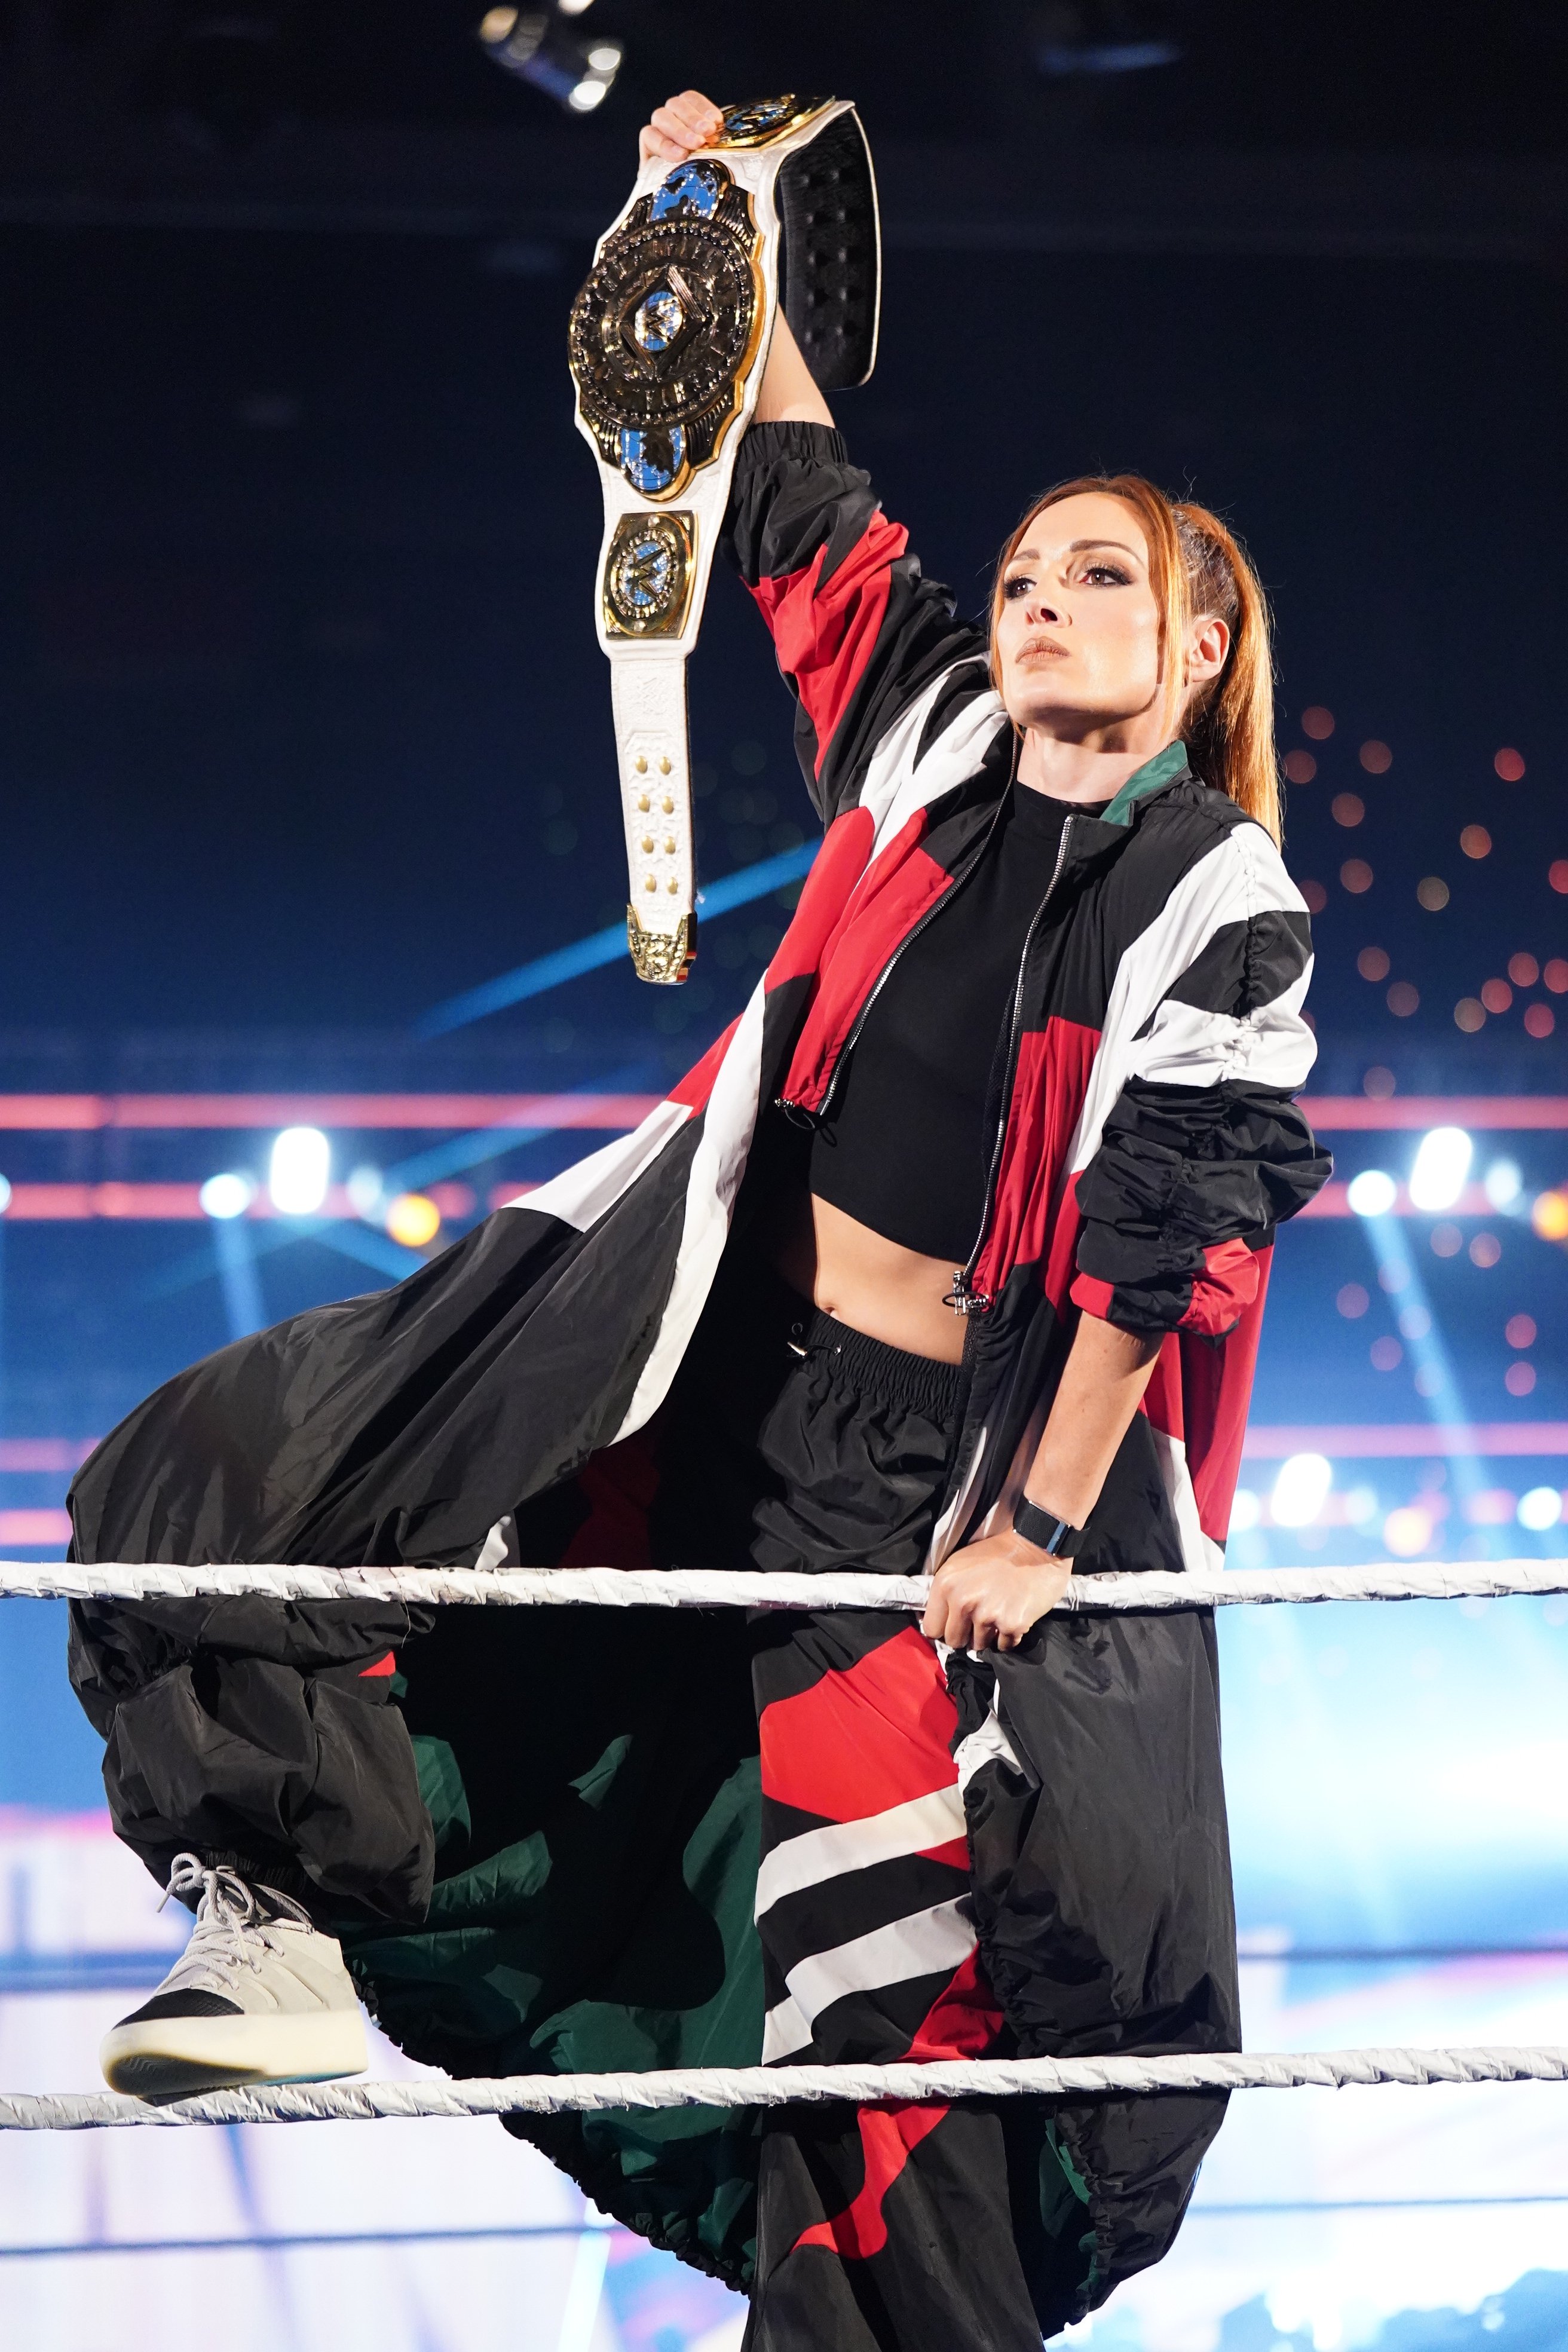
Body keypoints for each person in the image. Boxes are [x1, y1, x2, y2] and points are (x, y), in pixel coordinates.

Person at [69, 86, 1330, 2351]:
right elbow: (805, 497)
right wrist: (713, 215)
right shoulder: (936, 745)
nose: (1039, 602)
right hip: (702, 1365)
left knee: (889, 2022)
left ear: (1203, 641)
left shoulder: (1218, 890)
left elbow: (1167, 1246)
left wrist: (1036, 1532)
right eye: (1023, 575)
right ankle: (272, 1923)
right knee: (221, 1479)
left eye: (1098, 575)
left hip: (942, 1499)